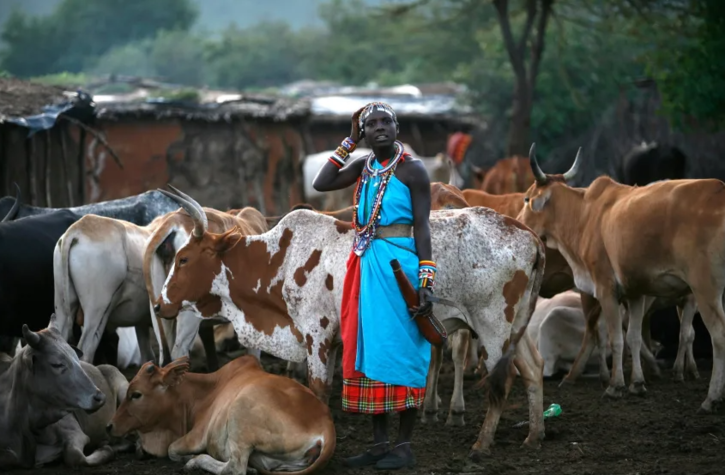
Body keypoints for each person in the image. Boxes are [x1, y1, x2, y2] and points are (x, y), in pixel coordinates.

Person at [312, 102, 435, 470]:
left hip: (400, 266)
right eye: (371, 125)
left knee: (405, 350)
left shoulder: (413, 170)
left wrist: (426, 281)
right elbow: (322, 183)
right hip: (366, 266)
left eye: (386, 122)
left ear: (397, 127)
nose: (379, 128)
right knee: (370, 349)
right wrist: (349, 141)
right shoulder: (363, 167)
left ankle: (404, 445)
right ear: (364, 132)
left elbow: (423, 227)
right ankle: (381, 444)